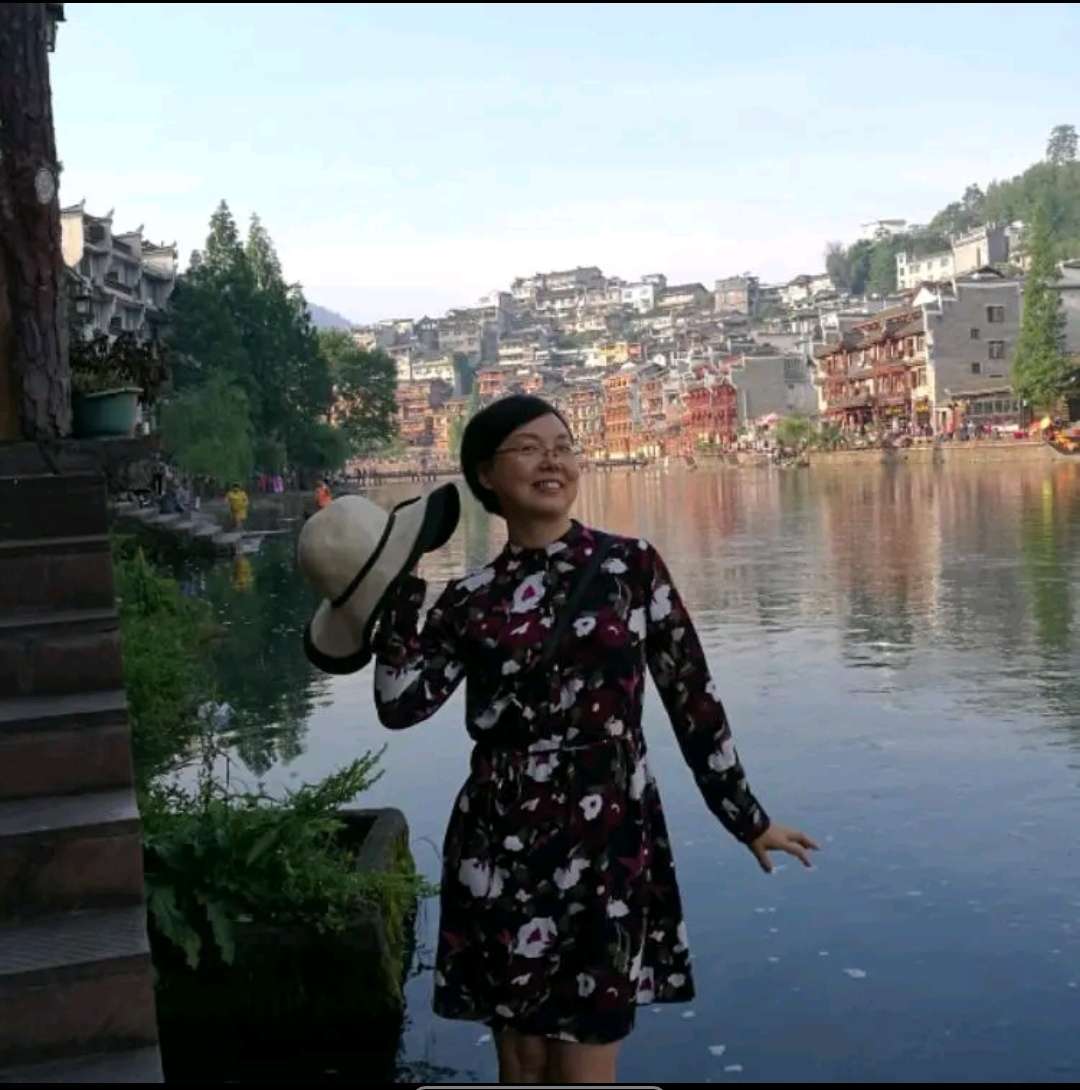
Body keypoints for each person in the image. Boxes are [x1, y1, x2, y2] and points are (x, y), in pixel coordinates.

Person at [370, 394, 818, 1085]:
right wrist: (398, 593)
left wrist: (746, 818)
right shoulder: (469, 598)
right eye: (528, 448)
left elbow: (692, 698)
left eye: (563, 445)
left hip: (607, 831)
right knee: (523, 1062)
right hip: (501, 834)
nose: (552, 460)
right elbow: (402, 704)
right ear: (486, 474)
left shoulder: (630, 567)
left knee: (587, 1058)